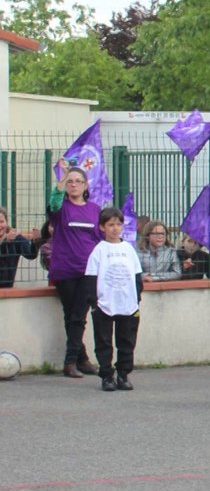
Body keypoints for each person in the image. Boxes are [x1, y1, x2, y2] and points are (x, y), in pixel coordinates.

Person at [48, 159, 103, 378]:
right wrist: (64, 175)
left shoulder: (95, 209)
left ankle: (73, 361)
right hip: (65, 270)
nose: (73, 185)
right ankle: (80, 360)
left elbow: (100, 239)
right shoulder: (61, 209)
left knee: (78, 315)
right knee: (71, 315)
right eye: (70, 181)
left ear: (86, 186)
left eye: (78, 181)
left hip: (88, 271)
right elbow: (53, 203)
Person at [85, 207, 143, 393]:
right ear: (102, 227)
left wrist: (137, 299)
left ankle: (123, 374)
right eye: (110, 225)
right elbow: (91, 278)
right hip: (105, 304)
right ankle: (107, 375)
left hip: (127, 304)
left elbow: (136, 276)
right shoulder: (99, 251)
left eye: (118, 224)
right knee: (104, 342)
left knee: (126, 341)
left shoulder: (128, 249)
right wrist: (94, 303)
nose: (115, 228)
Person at [0, 207, 38, 288]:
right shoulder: (9, 238)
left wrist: (35, 242)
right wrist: (5, 242)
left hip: (7, 289)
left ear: (7, 222)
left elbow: (31, 255)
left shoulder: (15, 238)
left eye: (1, 222)